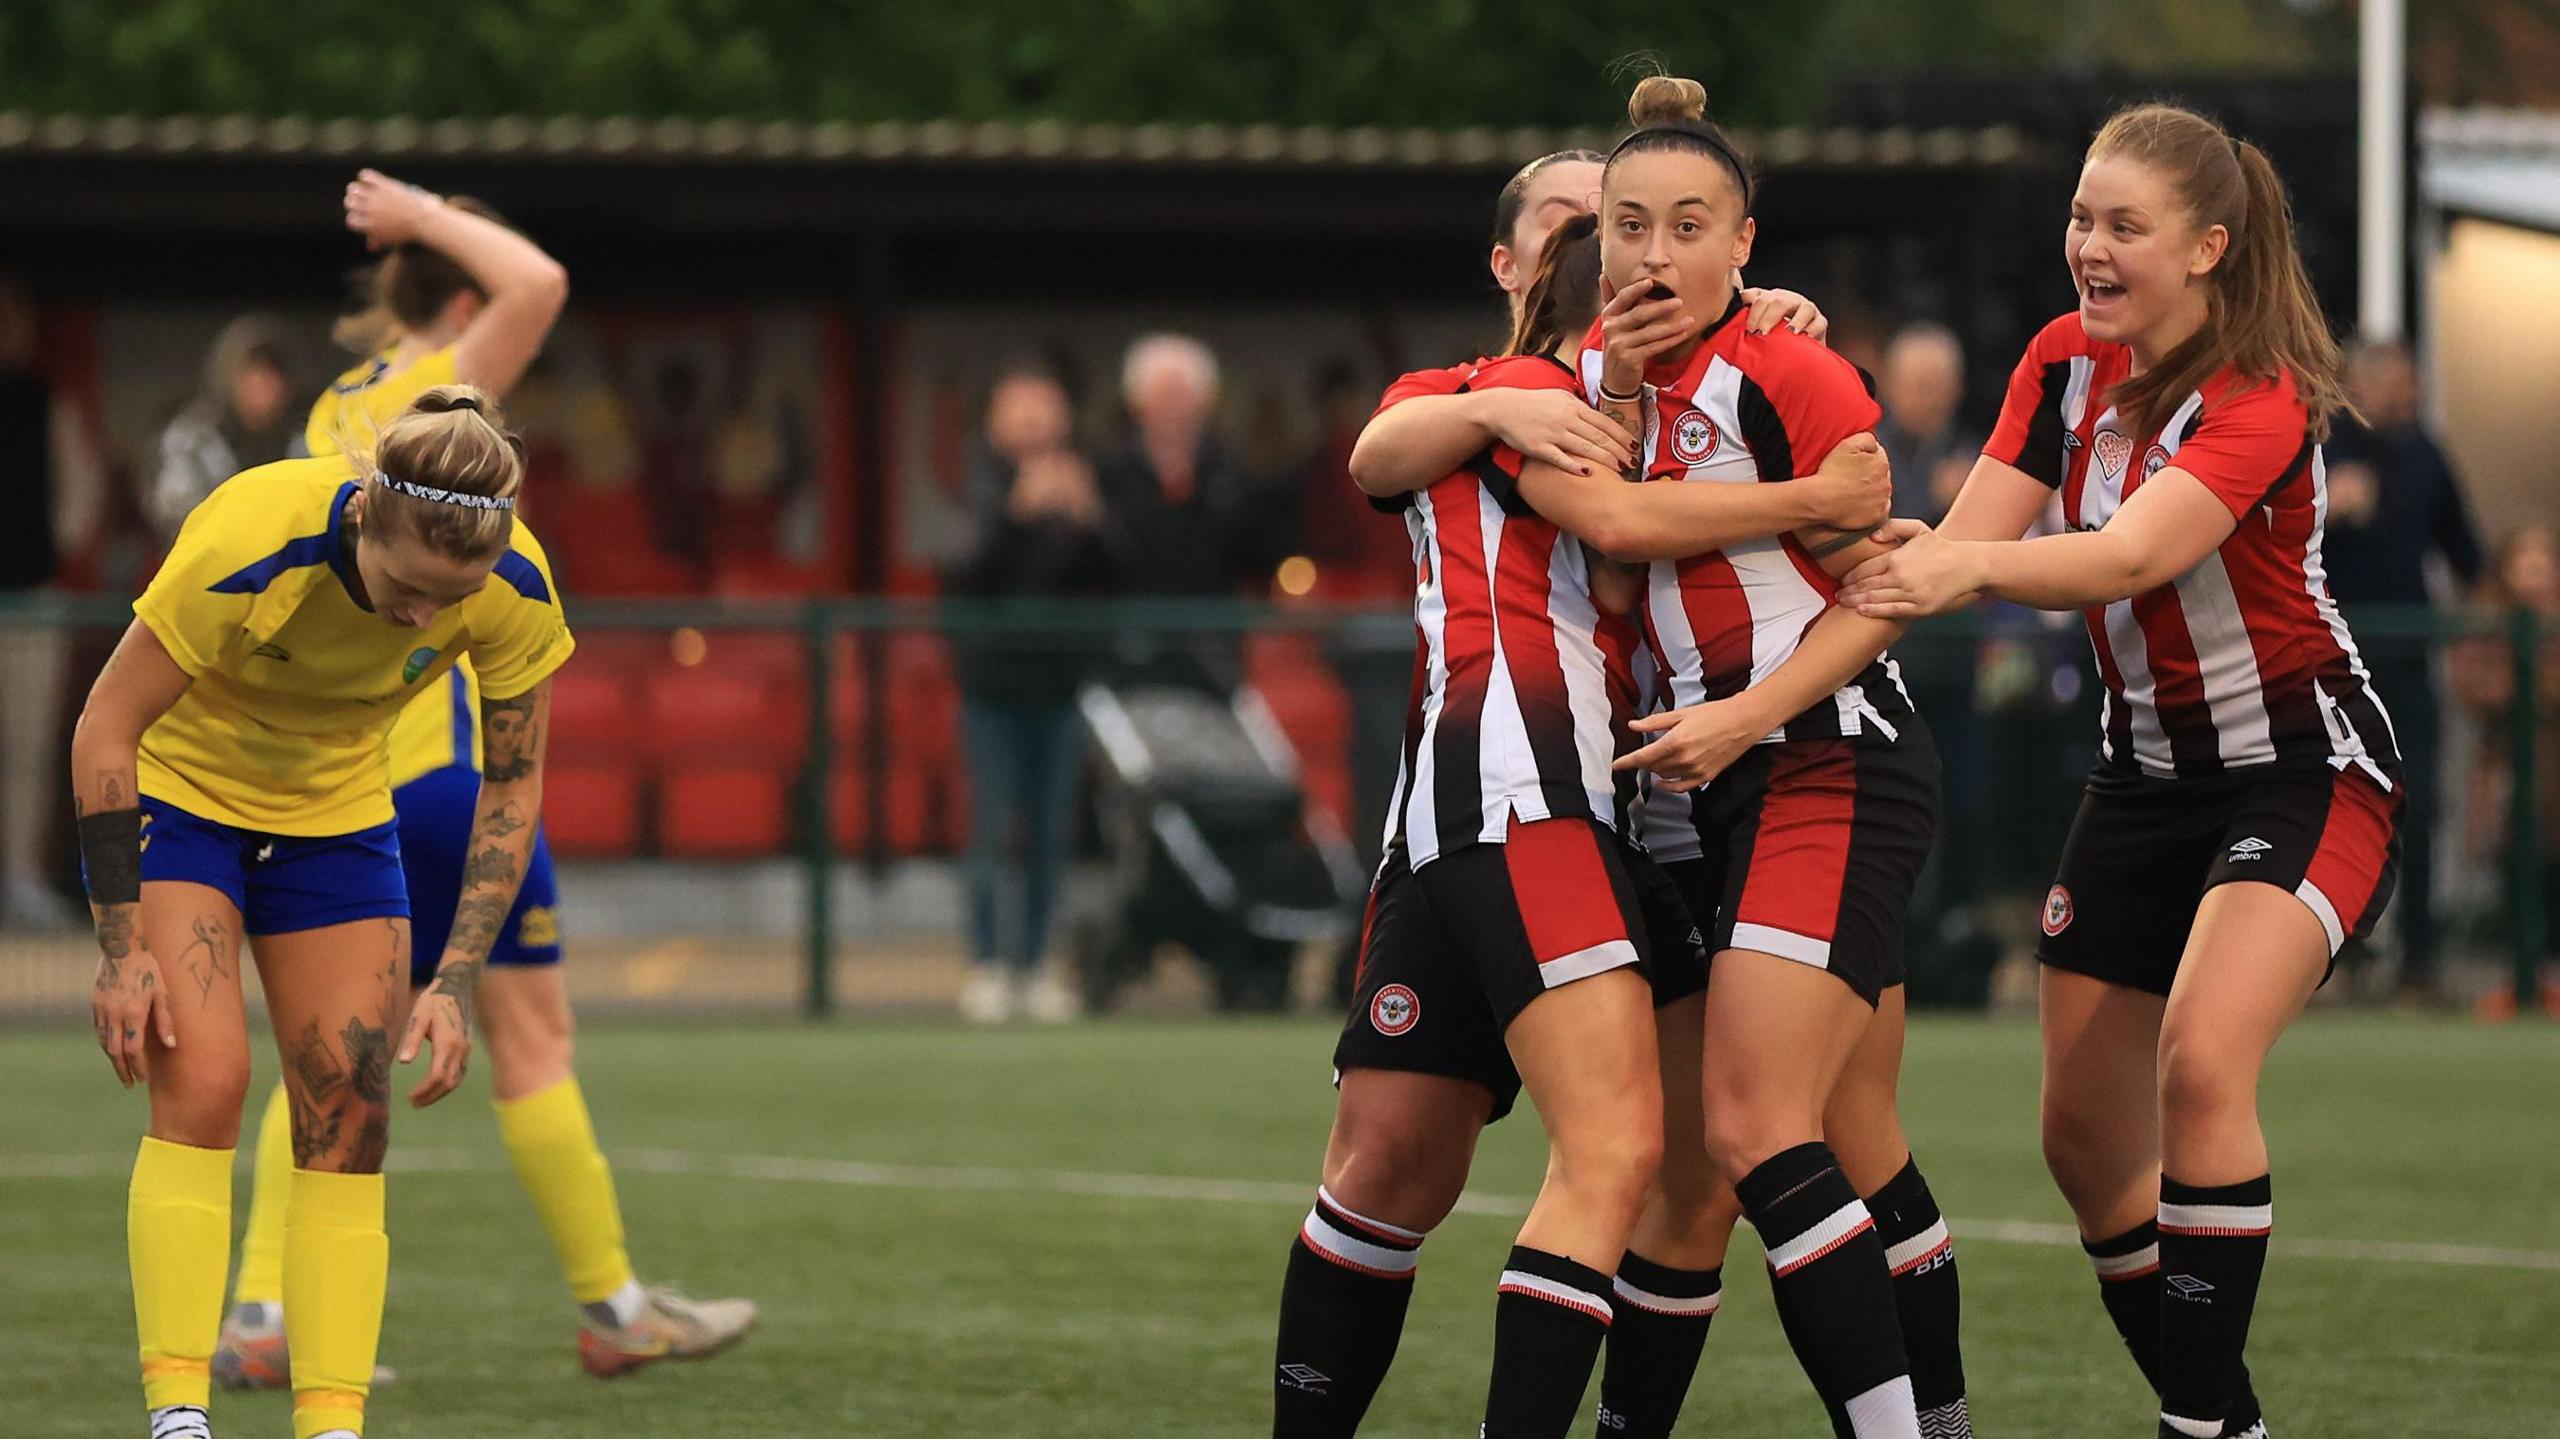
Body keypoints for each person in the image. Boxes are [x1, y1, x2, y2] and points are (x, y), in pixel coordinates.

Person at [1836, 102, 2401, 1439]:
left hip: (2300, 769)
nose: (2088, 245)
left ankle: (2199, 1420)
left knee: (2202, 1061)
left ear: (2207, 248)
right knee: (2087, 1146)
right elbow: (1960, 543)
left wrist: (1963, 564)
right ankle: (2231, 1417)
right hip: (2142, 778)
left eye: (2122, 226)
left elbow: (2128, 554)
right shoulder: (2056, 360)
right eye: (2082, 216)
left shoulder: (2258, 386)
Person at [215, 169, 754, 1390]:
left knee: (323, 1036)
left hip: (348, 769)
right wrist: (416, 207)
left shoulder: (339, 401)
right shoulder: (429, 388)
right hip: (445, 772)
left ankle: (258, 1310)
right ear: (457, 297)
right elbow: (542, 281)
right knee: (531, 1036)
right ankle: (613, 1305)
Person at [78, 387, 570, 1439]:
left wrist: (457, 976)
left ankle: (332, 1424)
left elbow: (514, 781)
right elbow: (106, 726)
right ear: (362, 518)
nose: (425, 619)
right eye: (407, 589)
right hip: (185, 801)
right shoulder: (254, 532)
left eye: (453, 597)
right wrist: (121, 947)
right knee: (206, 1080)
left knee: (350, 1112)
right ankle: (178, 1414)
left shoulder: (514, 577)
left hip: (338, 818)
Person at [947, 363, 1115, 1024]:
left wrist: (1091, 519)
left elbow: (1114, 575)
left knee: (1052, 833)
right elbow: (966, 578)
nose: (1033, 423)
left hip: (1060, 683)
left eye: (1044, 408)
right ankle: (988, 965)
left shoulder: (1081, 479)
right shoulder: (978, 484)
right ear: (995, 420)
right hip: (992, 687)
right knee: (991, 830)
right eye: (1019, 409)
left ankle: (1040, 963)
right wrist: (1018, 515)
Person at [2323, 338, 2483, 1001]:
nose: (2404, 394)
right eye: (2392, 382)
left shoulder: (2425, 455)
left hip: (2408, 667)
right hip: (2327, 667)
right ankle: (2326, 966)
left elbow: (2468, 556)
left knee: (2414, 808)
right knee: (2325, 810)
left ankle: (2417, 961)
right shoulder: (2317, 447)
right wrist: (2327, 505)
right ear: (2356, 385)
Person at [1, 272, 104, 932]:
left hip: (31, 601)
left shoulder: (46, 403)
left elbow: (81, 494)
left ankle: (23, 878)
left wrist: (47, 556)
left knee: (30, 751)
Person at [2450, 524, 2560, 1018]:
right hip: (2506, 774)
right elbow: (2481, 690)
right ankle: (2520, 981)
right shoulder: (2487, 620)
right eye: (2524, 562)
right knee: (2512, 869)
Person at [151, 316, 304, 545]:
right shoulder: (193, 440)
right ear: (228, 379)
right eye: (252, 375)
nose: (263, 389)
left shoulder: (304, 442)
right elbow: (178, 515)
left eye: (271, 376)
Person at [1875, 322, 1979, 524]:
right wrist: (1936, 499)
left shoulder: (1976, 456)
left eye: (1932, 385)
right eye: (1914, 385)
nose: (1924, 398)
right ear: (1888, 386)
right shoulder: (1867, 451)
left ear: (1957, 388)